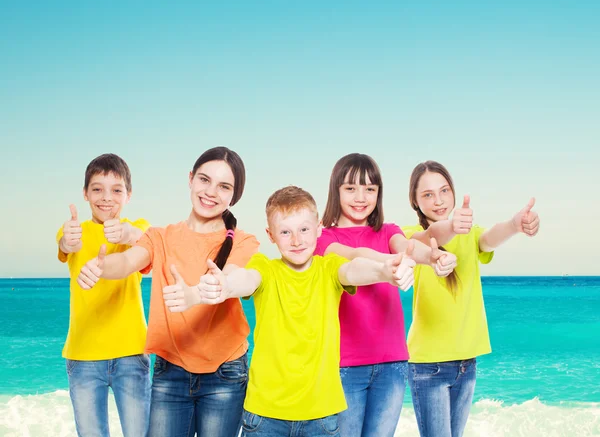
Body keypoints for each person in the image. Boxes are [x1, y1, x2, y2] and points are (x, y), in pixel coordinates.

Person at [163, 185, 416, 437]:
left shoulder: (329, 268)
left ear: (318, 228)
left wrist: (384, 271)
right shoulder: (266, 268)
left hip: (322, 416)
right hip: (265, 417)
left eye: (304, 229)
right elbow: (245, 279)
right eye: (285, 232)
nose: (296, 240)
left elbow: (354, 269)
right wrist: (216, 288)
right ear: (270, 235)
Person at [77, 146, 259, 437]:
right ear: (190, 179)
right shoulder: (159, 237)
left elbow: (240, 279)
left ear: (234, 195)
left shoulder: (243, 241)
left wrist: (208, 290)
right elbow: (126, 261)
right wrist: (100, 267)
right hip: (169, 374)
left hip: (225, 374)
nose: (211, 192)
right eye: (204, 180)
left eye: (224, 186)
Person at [313, 153, 458, 437]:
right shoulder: (324, 239)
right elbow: (354, 255)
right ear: (336, 191)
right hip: (344, 365)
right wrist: (386, 263)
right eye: (350, 188)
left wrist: (435, 257)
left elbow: (408, 247)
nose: (361, 197)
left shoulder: (388, 230)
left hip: (392, 364)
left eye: (370, 189)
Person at [403, 160, 540, 437]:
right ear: (415, 202)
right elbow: (430, 235)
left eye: (444, 191)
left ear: (453, 192)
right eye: (427, 195)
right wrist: (452, 225)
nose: (438, 201)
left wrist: (515, 224)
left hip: (467, 363)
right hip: (429, 365)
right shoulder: (409, 237)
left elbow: (490, 238)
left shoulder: (470, 235)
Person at [56, 153, 151, 437]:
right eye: (97, 189)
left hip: (131, 353)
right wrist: (66, 239)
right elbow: (64, 243)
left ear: (128, 195)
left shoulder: (138, 228)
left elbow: (144, 238)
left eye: (116, 190)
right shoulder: (74, 230)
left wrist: (125, 233)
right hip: (83, 356)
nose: (106, 197)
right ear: (85, 194)